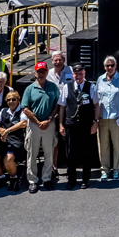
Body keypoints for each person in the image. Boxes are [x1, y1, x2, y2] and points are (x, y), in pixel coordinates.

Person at [22, 61, 63, 194]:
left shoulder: (53, 87)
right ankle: (33, 181)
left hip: (49, 124)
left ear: (47, 72)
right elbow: (25, 108)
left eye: (43, 71)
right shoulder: (29, 89)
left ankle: (46, 178)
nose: (41, 74)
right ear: (35, 73)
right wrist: (38, 122)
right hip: (34, 125)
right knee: (32, 154)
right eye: (39, 71)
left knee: (48, 153)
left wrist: (49, 119)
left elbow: (57, 105)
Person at [59, 64, 100, 190]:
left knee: (86, 153)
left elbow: (97, 105)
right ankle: (71, 179)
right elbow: (62, 106)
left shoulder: (91, 87)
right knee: (71, 153)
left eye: (80, 73)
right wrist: (61, 124)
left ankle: (85, 179)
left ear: (84, 73)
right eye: (76, 74)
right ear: (73, 75)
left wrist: (95, 122)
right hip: (71, 125)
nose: (78, 76)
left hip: (86, 125)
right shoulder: (67, 87)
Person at [96, 56, 119, 181]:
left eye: (112, 65)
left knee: (117, 145)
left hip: (117, 116)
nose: (110, 68)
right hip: (103, 117)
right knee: (103, 145)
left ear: (116, 66)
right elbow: (97, 98)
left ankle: (117, 169)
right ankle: (105, 170)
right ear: (104, 67)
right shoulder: (100, 79)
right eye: (107, 66)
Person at [0, 91, 28, 191]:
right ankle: (1, 178)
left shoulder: (22, 111)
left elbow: (23, 123)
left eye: (13, 99)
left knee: (8, 159)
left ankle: (13, 178)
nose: (11, 101)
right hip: (2, 139)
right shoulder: (4, 111)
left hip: (16, 140)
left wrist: (7, 131)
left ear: (18, 100)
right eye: (8, 99)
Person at [46, 51, 73, 185]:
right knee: (53, 142)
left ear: (64, 60)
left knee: (68, 142)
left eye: (60, 60)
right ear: (52, 61)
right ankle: (54, 168)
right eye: (55, 60)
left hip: (68, 112)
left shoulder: (71, 71)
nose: (58, 62)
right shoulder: (49, 74)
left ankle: (70, 169)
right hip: (53, 113)